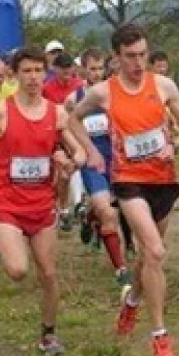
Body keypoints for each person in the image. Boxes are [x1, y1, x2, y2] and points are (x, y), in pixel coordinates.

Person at [67, 23, 179, 356]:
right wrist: (91, 153)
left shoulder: (163, 85)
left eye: (143, 55)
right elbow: (72, 120)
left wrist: (177, 145)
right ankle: (160, 336)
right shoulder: (104, 93)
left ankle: (132, 303)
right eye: (131, 57)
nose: (139, 63)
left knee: (146, 260)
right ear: (116, 58)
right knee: (154, 251)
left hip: (163, 179)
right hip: (128, 181)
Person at [0, 47, 87, 356]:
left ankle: (48, 334)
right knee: (18, 271)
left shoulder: (56, 112)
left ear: (44, 73)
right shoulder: (0, 111)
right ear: (15, 75)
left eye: (37, 71)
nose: (33, 78)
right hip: (6, 203)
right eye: (26, 71)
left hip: (42, 204)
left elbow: (79, 150)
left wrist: (73, 163)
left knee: (48, 273)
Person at [66, 48, 132, 294]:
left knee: (115, 208)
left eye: (99, 68)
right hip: (93, 163)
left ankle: (89, 217)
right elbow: (67, 129)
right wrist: (76, 153)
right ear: (82, 69)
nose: (96, 73)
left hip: (117, 162)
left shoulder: (113, 94)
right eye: (91, 68)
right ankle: (121, 270)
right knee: (108, 212)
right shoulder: (75, 99)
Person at [43, 52, 86, 231]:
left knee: (76, 167)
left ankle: (77, 205)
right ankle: (63, 208)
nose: (67, 72)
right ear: (55, 69)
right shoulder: (47, 88)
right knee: (62, 174)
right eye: (63, 69)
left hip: (78, 133)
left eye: (70, 69)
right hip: (57, 135)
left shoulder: (80, 86)